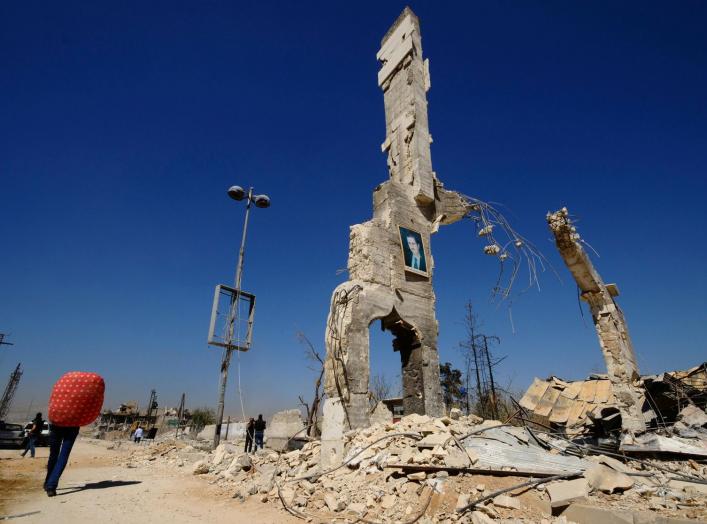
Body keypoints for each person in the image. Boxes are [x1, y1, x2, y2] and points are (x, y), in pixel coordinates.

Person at [44, 424, 80, 497]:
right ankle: (51, 485)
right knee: (63, 455)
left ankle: (48, 482)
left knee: (53, 455)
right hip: (73, 426)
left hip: (57, 423)